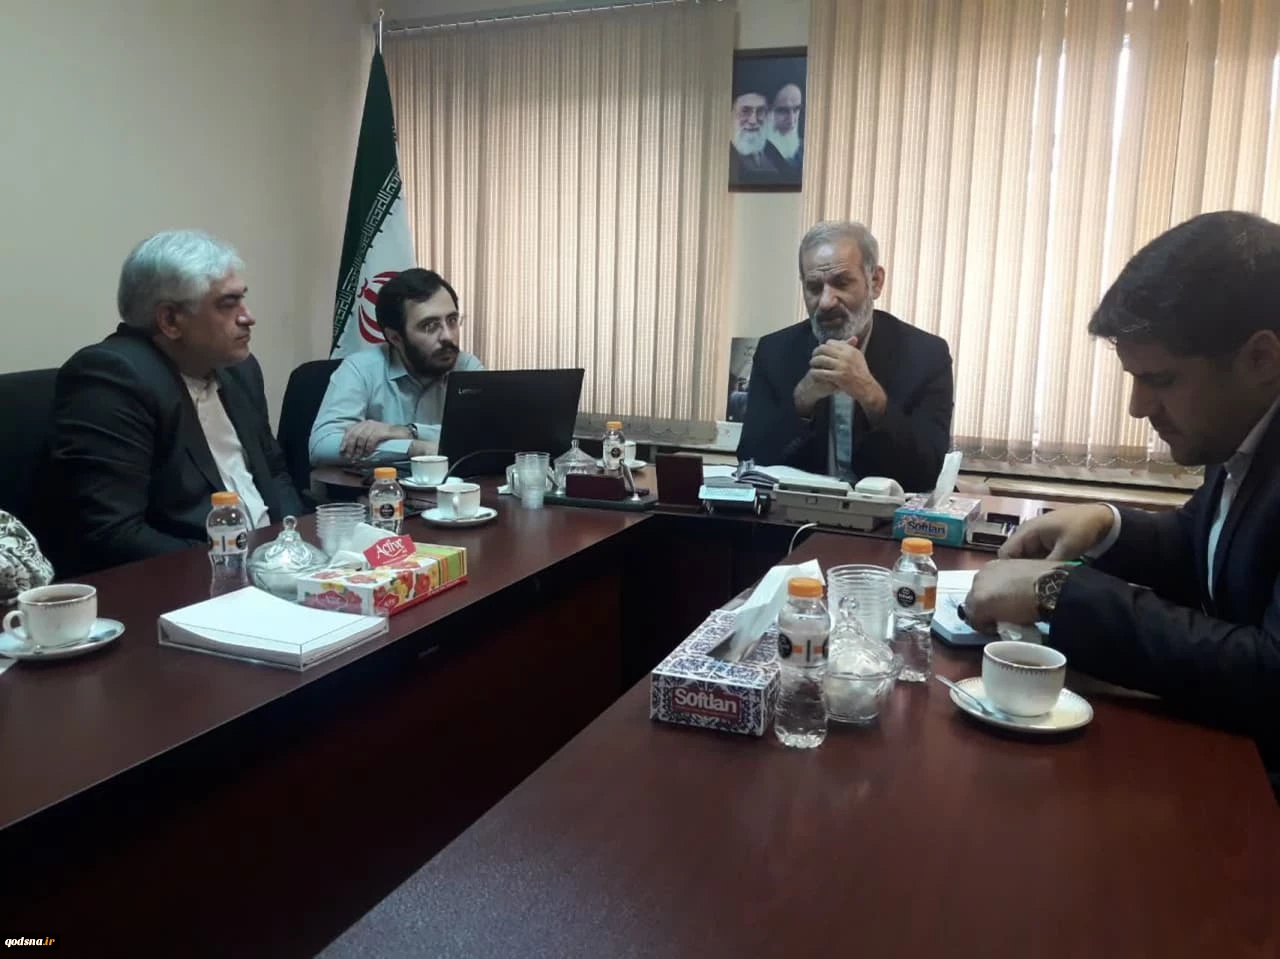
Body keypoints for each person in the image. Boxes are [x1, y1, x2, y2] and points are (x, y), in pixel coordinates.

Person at [963, 211, 1280, 786]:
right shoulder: (1240, 427)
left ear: (1260, 359)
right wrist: (1106, 523)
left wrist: (1057, 592)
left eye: (1161, 380)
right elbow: (1206, 547)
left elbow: (1268, 673)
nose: (1138, 409)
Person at [51, 230, 304, 573]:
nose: (248, 316)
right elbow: (113, 533)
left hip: (272, 567)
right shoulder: (111, 377)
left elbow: (274, 472)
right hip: (189, 581)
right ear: (170, 320)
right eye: (228, 304)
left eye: (242, 299)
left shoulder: (240, 369)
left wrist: (292, 545)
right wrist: (235, 566)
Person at [736, 221, 954, 492]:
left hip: (886, 515)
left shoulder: (926, 355)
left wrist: (871, 396)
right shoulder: (774, 352)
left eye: (841, 283)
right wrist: (801, 403)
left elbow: (927, 472)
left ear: (875, 282)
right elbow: (751, 460)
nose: (826, 301)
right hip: (797, 513)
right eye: (814, 287)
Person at [309, 268, 483, 466]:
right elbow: (322, 445)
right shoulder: (361, 369)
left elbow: (487, 433)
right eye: (430, 326)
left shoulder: (466, 367)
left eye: (452, 321)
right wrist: (413, 448)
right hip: (379, 486)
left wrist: (405, 432)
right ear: (395, 337)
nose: (448, 336)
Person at [729, 91, 779, 185]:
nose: (753, 120)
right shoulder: (723, 156)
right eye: (745, 111)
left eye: (760, 111)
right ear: (730, 114)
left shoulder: (771, 151)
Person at [764, 82, 804, 178]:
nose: (792, 120)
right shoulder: (752, 157)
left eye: (796, 109)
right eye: (782, 111)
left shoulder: (805, 149)